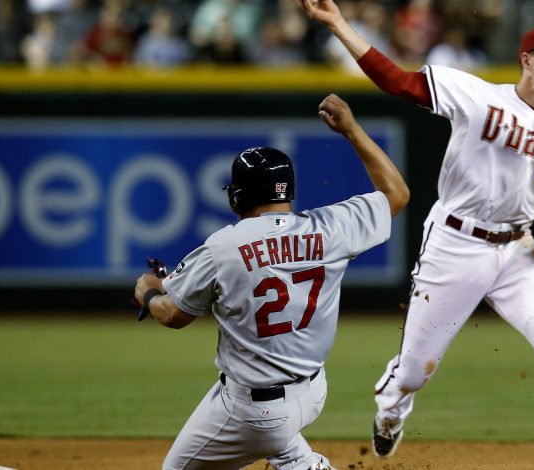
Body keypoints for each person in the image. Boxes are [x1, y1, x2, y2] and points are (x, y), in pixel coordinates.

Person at [297, 1, 534, 469]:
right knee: (413, 372)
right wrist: (337, 24)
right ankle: (391, 408)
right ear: (527, 59)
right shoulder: (477, 95)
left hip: (517, 251)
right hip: (453, 244)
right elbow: (397, 79)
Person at [133, 93, 409, 470]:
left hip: (255, 409)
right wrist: (351, 129)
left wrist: (148, 292)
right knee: (276, 431)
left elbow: (173, 315)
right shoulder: (330, 229)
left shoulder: (224, 246)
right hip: (313, 391)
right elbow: (397, 193)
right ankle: (302, 464)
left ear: (238, 195)